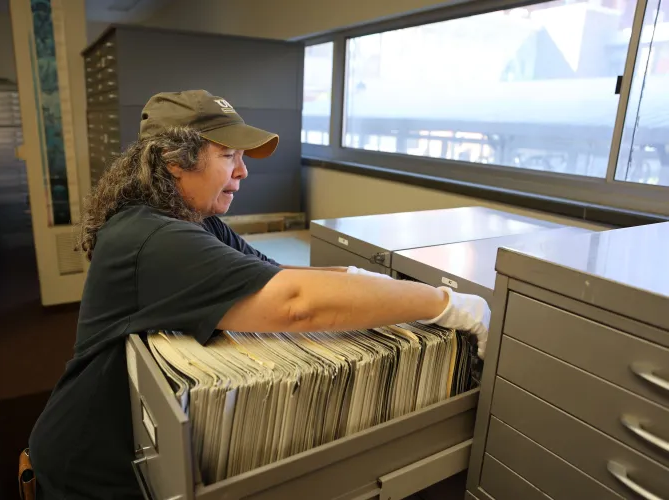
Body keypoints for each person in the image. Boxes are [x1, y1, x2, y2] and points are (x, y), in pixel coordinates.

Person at [28, 90, 491, 499]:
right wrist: (447, 305)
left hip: (135, 442)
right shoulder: (153, 238)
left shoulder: (190, 219)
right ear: (174, 160)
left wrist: (361, 279)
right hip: (91, 466)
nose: (243, 171)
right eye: (228, 155)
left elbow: (270, 273)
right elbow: (295, 304)